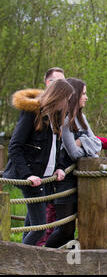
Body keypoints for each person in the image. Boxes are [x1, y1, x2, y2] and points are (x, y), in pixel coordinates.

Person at [3, 79, 75, 245]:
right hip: (31, 178)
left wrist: (59, 168)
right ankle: (16, 258)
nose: (67, 103)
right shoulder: (32, 114)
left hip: (45, 177)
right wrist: (27, 175)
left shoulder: (56, 117)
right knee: (40, 228)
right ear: (57, 97)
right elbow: (14, 147)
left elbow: (54, 148)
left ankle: (21, 261)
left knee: (31, 224)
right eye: (66, 99)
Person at [44, 78, 102, 248]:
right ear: (75, 95)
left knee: (80, 227)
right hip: (65, 180)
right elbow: (74, 153)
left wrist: (82, 141)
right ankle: (44, 257)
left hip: (83, 181)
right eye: (83, 93)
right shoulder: (66, 119)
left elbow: (97, 143)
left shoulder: (81, 118)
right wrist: (87, 144)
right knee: (65, 229)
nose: (86, 97)